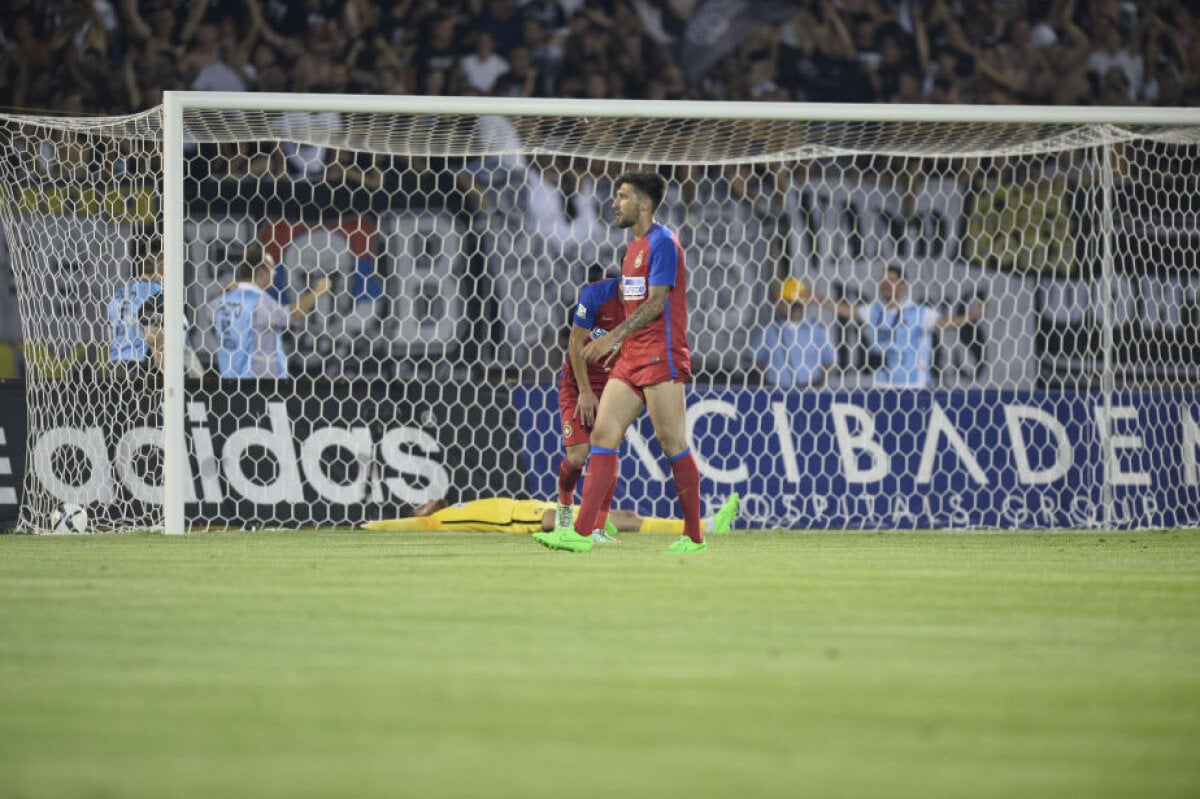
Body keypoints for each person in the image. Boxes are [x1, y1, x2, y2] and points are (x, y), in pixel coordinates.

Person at [533, 171, 706, 555]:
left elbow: (656, 302)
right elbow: (632, 306)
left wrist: (612, 337)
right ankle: (580, 534)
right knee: (602, 435)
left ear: (644, 205)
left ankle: (694, 538)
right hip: (630, 358)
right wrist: (617, 346)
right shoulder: (631, 250)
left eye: (623, 196)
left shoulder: (664, 243)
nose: (614, 203)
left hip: (661, 356)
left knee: (671, 441)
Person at [810, 264, 985, 388]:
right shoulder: (875, 310)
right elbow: (848, 311)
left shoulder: (918, 312)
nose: (886, 284)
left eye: (892, 280)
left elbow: (946, 323)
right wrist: (822, 301)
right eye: (884, 280)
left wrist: (971, 317)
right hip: (883, 385)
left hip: (913, 386)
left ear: (902, 285)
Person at [553, 271, 625, 540]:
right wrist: (584, 391)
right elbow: (575, 341)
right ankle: (564, 509)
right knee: (577, 457)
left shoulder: (644, 304)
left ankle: (597, 526)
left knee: (607, 454)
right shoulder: (595, 295)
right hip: (578, 385)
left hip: (614, 387)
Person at [208, 247, 331, 379]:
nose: (275, 273)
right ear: (261, 273)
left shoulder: (220, 302)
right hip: (261, 385)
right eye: (272, 268)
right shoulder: (259, 302)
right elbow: (291, 315)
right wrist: (317, 292)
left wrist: (227, 290)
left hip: (228, 381)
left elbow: (209, 310)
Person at [362, 493, 740, 536]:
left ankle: (704, 525)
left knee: (617, 513)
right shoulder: (438, 521)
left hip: (530, 505)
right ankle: (581, 535)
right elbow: (415, 524)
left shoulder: (453, 505)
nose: (427, 502)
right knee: (554, 522)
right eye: (421, 502)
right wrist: (375, 526)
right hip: (518, 519)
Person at [754, 276, 836, 388]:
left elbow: (829, 363)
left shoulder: (818, 330)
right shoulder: (770, 330)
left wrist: (818, 385)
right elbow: (758, 361)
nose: (779, 306)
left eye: (784, 302)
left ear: (797, 305)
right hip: (775, 391)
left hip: (809, 391)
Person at [108, 247, 163, 377]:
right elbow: (156, 337)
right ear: (161, 267)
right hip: (141, 365)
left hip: (115, 363)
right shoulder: (156, 291)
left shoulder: (119, 293)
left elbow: (109, 331)